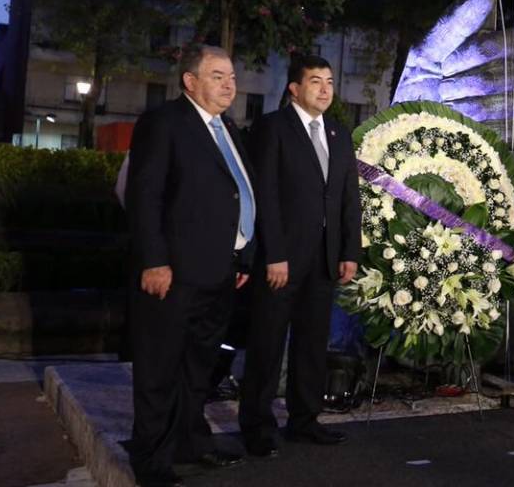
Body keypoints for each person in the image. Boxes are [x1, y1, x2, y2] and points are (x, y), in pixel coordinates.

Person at [125, 44, 254, 487]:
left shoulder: (228, 128)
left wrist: (243, 255)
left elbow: (239, 194)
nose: (229, 85)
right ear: (190, 81)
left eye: (232, 77)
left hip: (220, 272)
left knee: (197, 369)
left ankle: (186, 442)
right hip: (174, 274)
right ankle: (151, 458)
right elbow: (145, 197)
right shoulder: (164, 123)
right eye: (217, 75)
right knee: (159, 368)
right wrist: (154, 261)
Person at [238, 56, 361, 455]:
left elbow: (347, 199)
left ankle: (304, 420)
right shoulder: (272, 128)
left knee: (312, 344)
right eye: (315, 82)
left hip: (325, 260)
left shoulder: (340, 134)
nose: (325, 89)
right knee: (267, 344)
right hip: (281, 260)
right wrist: (273, 253)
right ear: (294, 88)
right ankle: (256, 425)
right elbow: (264, 196)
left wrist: (349, 251)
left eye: (329, 82)